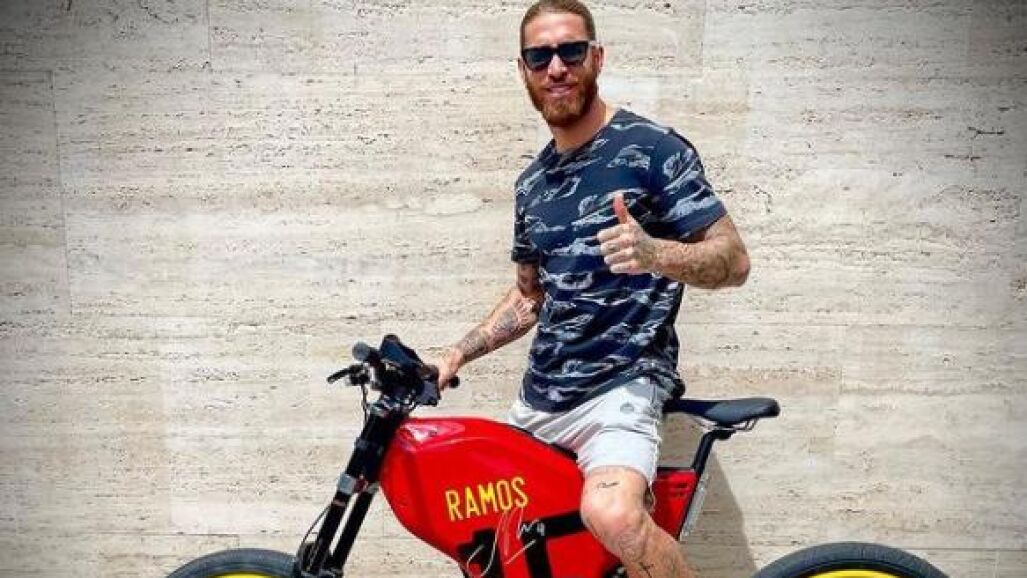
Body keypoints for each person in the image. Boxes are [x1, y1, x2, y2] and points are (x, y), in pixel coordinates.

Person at [433, 1, 750, 577]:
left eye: (571, 51)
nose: (556, 67)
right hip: (538, 400)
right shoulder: (532, 184)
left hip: (620, 392)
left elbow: (734, 260)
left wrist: (656, 253)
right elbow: (530, 296)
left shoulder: (653, 150)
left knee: (614, 516)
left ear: (596, 58)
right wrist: (456, 354)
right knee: (491, 545)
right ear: (524, 70)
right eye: (540, 56)